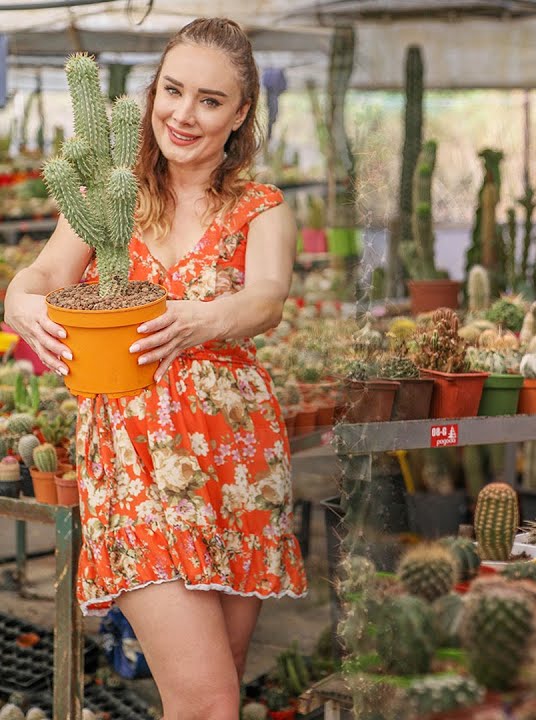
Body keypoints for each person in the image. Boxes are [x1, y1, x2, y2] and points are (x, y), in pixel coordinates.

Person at [4, 18, 305, 720]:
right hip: (135, 464)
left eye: (209, 99)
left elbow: (265, 300)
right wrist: (20, 298)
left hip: (237, 465)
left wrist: (202, 318)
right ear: (151, 94)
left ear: (240, 113)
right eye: (172, 91)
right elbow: (46, 271)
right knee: (207, 701)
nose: (184, 113)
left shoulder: (261, 209)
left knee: (214, 685)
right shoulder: (110, 201)